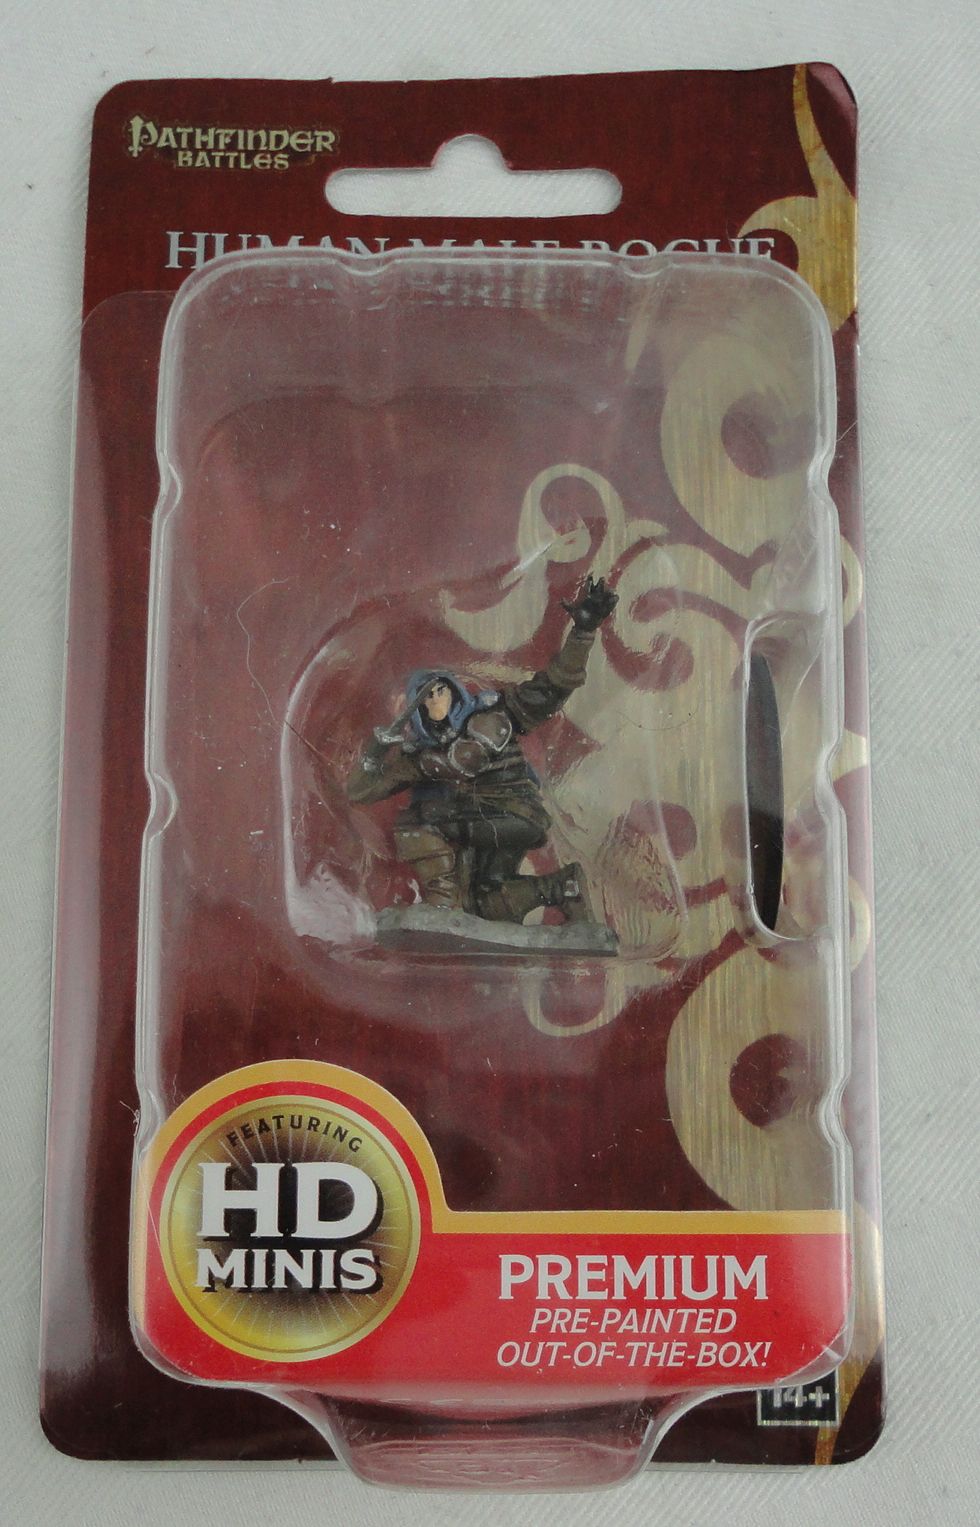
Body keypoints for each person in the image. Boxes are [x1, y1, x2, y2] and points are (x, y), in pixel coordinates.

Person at [347, 575, 617, 925]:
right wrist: (375, 751)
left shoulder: (496, 712)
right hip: (484, 823)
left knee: (416, 821)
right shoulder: (421, 751)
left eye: (440, 691)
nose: (435, 701)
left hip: (517, 815)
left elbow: (554, 686)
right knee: (483, 903)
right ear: (416, 706)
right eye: (426, 697)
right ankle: (562, 888)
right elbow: (360, 792)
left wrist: (583, 631)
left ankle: (442, 905)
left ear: (454, 690)